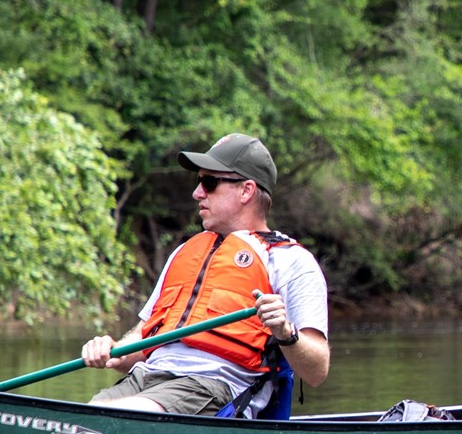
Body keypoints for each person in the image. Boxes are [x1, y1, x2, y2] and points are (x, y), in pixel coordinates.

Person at [81, 133, 329, 418]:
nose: (197, 193)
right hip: (146, 378)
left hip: (211, 387)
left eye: (209, 183)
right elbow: (144, 335)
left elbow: (317, 371)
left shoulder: (292, 262)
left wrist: (286, 333)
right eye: (198, 182)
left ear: (246, 190)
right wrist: (114, 350)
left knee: (112, 418)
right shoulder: (185, 252)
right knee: (87, 416)